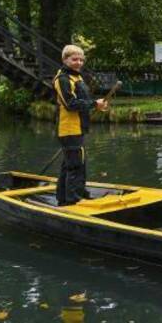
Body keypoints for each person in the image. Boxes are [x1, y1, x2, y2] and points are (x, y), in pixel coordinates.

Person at [54, 45, 108, 206]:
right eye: (74, 59)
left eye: (81, 60)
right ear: (65, 60)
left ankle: (64, 197)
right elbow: (70, 104)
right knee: (76, 165)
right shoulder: (63, 79)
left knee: (71, 164)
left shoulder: (77, 77)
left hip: (78, 127)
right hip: (69, 128)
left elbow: (83, 101)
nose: (78, 62)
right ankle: (74, 199)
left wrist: (97, 105)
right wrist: (93, 104)